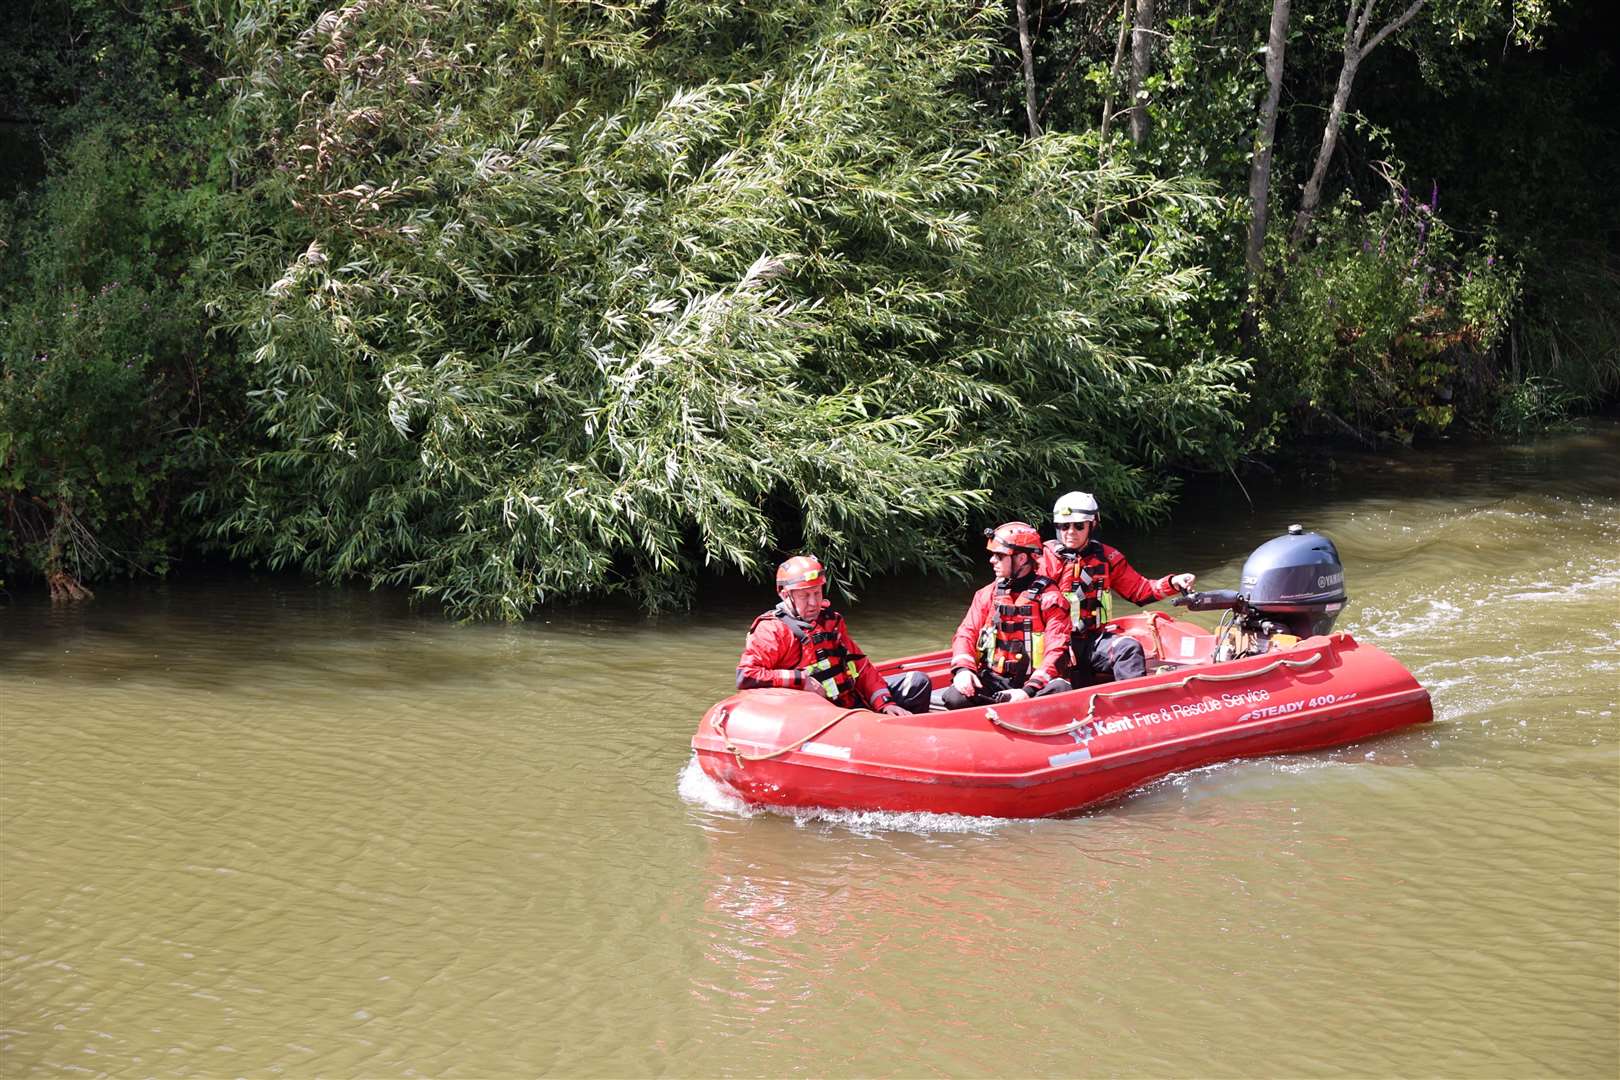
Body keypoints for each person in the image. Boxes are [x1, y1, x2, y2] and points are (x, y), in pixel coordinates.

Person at [737, 555, 930, 715]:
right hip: (817, 715)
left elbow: (860, 666)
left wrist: (885, 704)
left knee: (917, 683)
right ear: (785, 595)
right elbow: (747, 676)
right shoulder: (771, 630)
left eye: (817, 593)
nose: (813, 603)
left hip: (848, 701)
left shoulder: (831, 621)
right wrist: (800, 679)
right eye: (805, 595)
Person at [1040, 490, 1197, 684]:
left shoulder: (1107, 557)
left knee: (1128, 647)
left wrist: (1172, 583)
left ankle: (1134, 705)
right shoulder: (1042, 559)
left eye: (1079, 526)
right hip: (1054, 644)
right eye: (1064, 526)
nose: (1070, 532)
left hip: (1092, 641)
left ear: (1092, 525)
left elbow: (1140, 591)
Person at [938, 522, 1073, 709]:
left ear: (1022, 558)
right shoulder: (987, 594)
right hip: (995, 679)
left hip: (1033, 684)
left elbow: (1057, 649)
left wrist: (1028, 691)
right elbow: (965, 633)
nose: (992, 560)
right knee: (954, 697)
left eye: (999, 556)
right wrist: (962, 670)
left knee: (1060, 689)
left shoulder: (1051, 599)